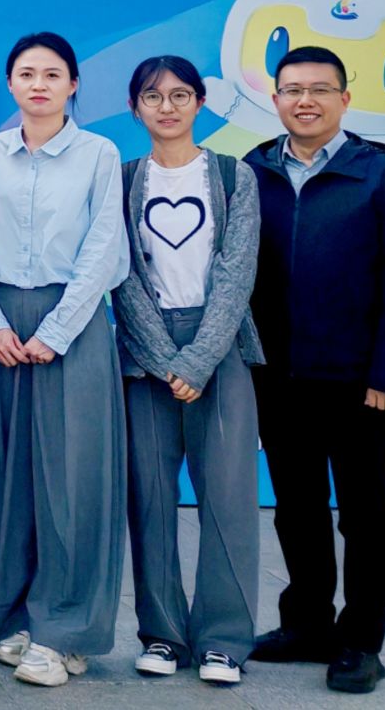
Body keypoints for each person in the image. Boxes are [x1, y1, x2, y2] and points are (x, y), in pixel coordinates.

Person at [244, 45, 385, 695]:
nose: (306, 101)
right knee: (296, 508)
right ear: (275, 99)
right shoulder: (253, 172)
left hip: (359, 382)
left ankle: (360, 641)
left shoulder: (383, 177)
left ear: (345, 99)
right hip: (277, 377)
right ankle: (307, 625)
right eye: (292, 89)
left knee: (365, 512)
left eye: (320, 89)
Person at [0, 31, 129, 688]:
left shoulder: (98, 154)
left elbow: (104, 248)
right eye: (26, 73)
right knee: (6, 478)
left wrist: (57, 330)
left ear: (73, 84)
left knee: (74, 481)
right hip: (3, 325)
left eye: (52, 74)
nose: (38, 85)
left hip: (73, 324)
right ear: (10, 83)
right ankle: (15, 622)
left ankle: (66, 632)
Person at [112, 55, 263, 686]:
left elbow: (237, 270)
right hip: (144, 356)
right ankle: (163, 635)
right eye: (152, 96)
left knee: (228, 499)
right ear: (135, 108)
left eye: (179, 95)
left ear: (200, 102)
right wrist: (163, 356)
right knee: (150, 499)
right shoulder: (122, 178)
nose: (167, 107)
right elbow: (120, 274)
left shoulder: (232, 175)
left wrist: (199, 359)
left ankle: (224, 640)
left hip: (219, 347)